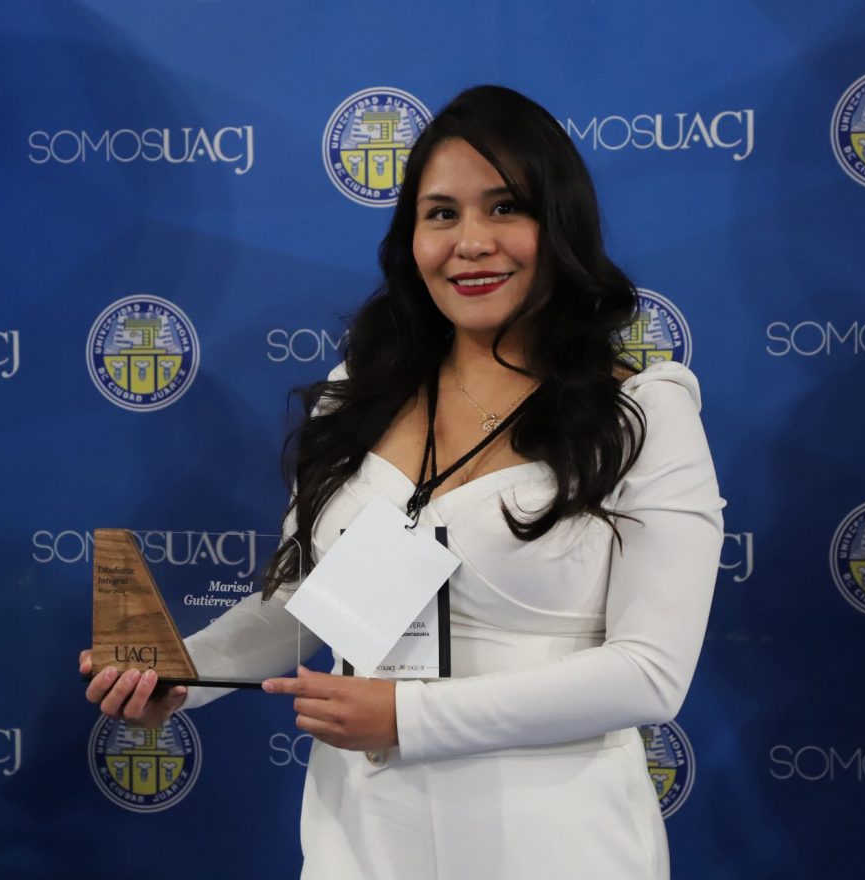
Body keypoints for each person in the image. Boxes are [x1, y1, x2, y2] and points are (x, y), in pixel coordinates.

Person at [80, 84, 724, 879]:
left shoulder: (643, 415)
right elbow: (309, 608)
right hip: (361, 841)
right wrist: (184, 673)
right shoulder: (358, 394)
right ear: (411, 239)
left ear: (560, 224)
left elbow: (650, 674)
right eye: (441, 213)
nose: (470, 242)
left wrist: (411, 717)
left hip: (554, 844)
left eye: (505, 208)